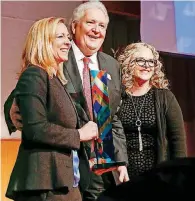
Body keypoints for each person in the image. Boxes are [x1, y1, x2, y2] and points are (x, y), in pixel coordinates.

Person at [4, 2, 129, 201]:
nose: (97, 30)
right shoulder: (55, 59)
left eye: (102, 25)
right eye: (91, 23)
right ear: (74, 27)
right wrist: (17, 112)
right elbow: (21, 102)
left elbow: (112, 117)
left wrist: (119, 160)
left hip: (103, 169)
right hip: (64, 170)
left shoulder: (111, 65)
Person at [5, 17, 99, 201]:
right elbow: (36, 129)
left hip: (64, 182)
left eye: (68, 37)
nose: (68, 42)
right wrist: (78, 135)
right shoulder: (34, 75)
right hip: (45, 184)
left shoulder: (55, 79)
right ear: (43, 42)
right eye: (60, 36)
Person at [115, 42, 187, 180]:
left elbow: (177, 140)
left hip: (159, 177)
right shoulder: (119, 96)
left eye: (151, 62)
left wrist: (179, 174)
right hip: (124, 177)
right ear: (128, 64)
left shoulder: (164, 97)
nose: (147, 65)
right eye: (141, 60)